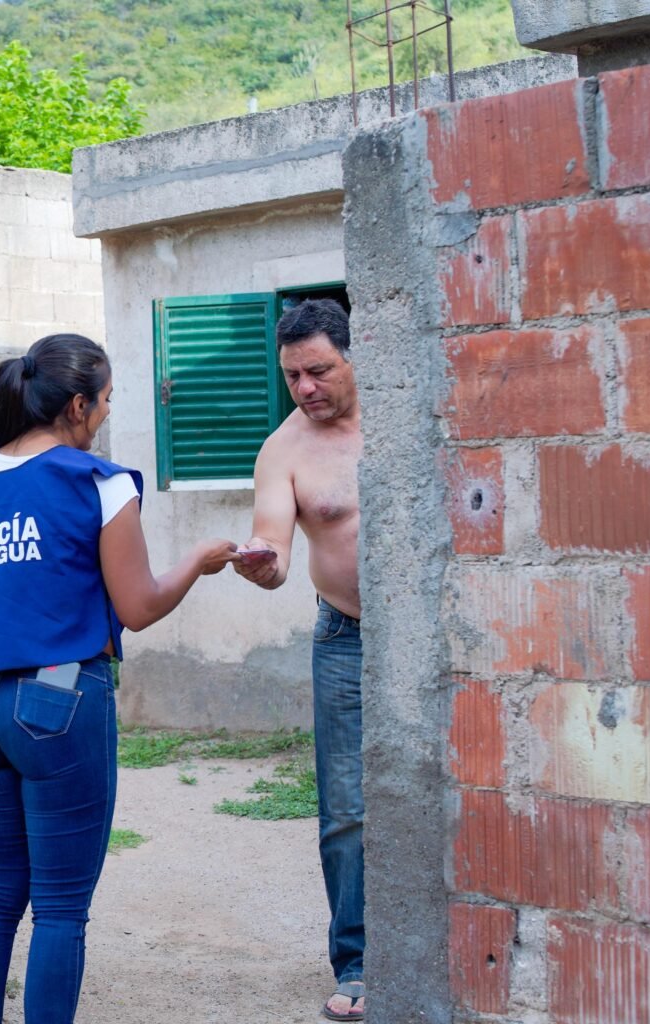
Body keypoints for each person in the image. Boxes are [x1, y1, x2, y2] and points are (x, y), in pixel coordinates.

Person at [0, 333, 238, 1024]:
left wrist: (7, 572)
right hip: (57, 695)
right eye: (105, 403)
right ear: (76, 405)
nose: (103, 417)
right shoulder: (97, 482)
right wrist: (199, 562)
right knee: (60, 907)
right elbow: (140, 606)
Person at [232, 299, 366, 1022]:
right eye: (293, 377)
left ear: (355, 354)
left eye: (319, 370)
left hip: (441, 645)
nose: (306, 388)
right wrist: (264, 565)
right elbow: (275, 548)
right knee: (347, 809)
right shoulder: (283, 448)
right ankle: (358, 962)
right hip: (345, 638)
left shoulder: (408, 407)